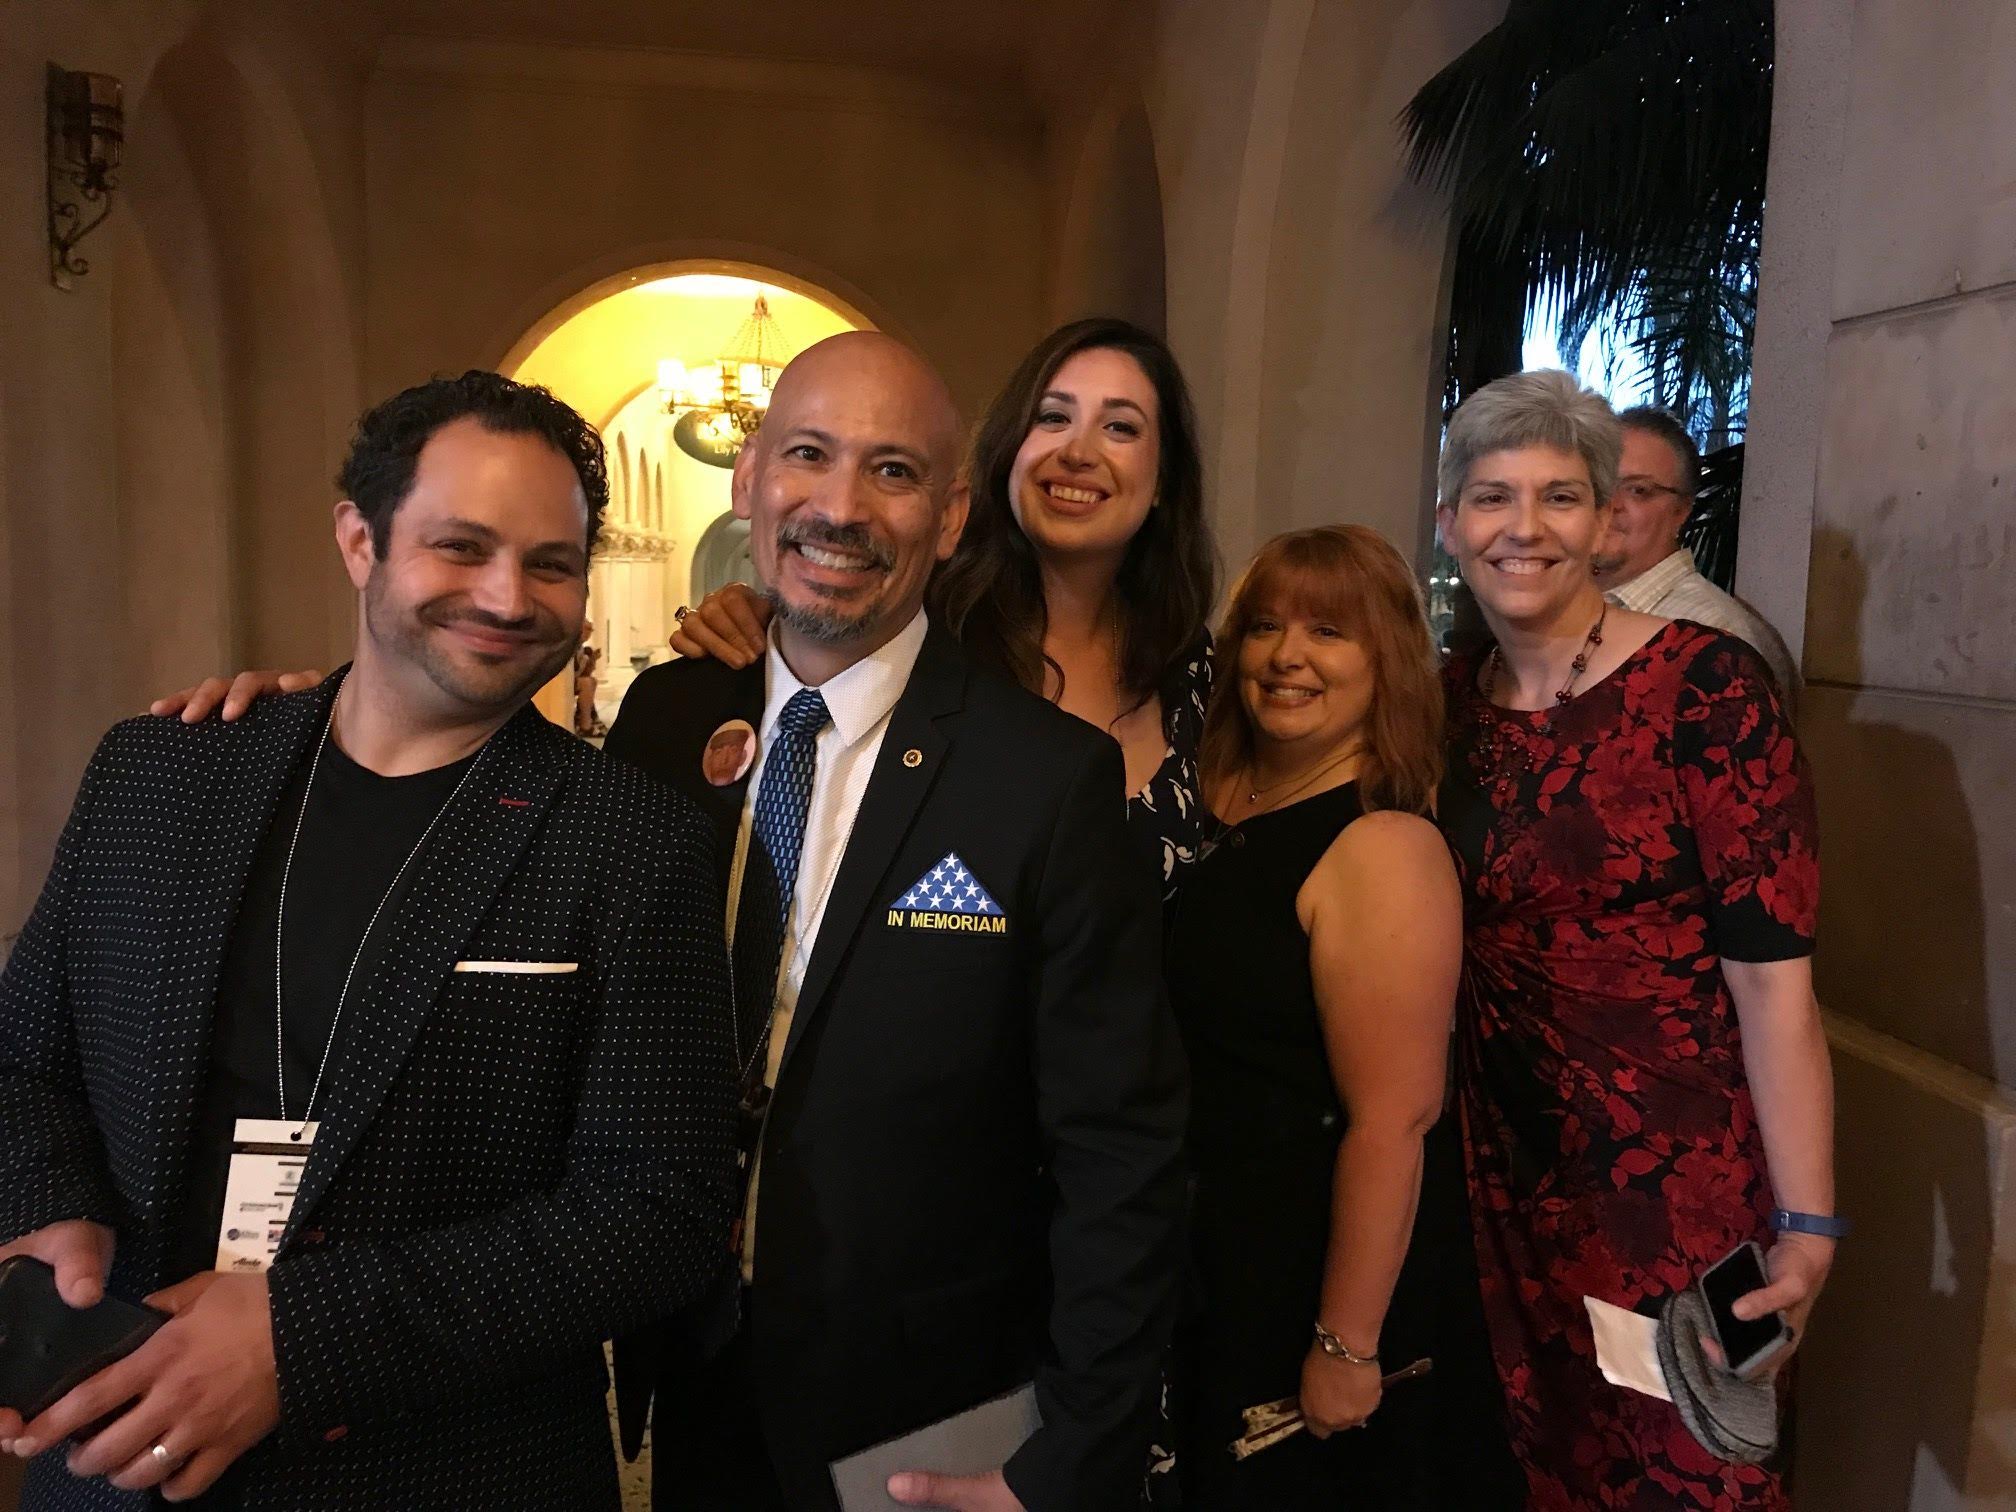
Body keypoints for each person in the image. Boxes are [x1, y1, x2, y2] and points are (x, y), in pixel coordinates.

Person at [0, 371, 737, 1509]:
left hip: (447, 1470)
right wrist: (47, 1209)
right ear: (359, 540)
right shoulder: (162, 772)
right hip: (115, 1450)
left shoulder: (633, 842)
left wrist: (298, 1341)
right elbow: (24, 1057)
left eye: (551, 563)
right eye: (461, 547)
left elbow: (659, 1213)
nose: (508, 595)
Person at [602, 332, 1186, 1511]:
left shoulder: (1045, 778)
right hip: (695, 1374)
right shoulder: (666, 723)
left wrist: (1067, 1462)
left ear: (954, 514)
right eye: (809, 456)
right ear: (750, 478)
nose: (841, 507)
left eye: (893, 471)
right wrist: (318, 707)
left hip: (929, 1421)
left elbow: (1122, 1151)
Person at [1434, 370, 1839, 1510]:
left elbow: (1775, 991)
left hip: (1674, 1192)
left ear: (1605, 516)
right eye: (1492, 497)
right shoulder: (1440, 708)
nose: (1524, 529)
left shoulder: (1707, 689)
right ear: (1449, 522)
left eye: (1560, 497)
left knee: (1685, 1479)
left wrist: (1807, 1227)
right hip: (1490, 1181)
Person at [1167, 526, 1518, 1511]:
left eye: (1329, 631)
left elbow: (1394, 1122)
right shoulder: (1219, 793)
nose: (1287, 656)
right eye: (1267, 626)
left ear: (1388, 660)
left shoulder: (1385, 846)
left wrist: (1345, 1343)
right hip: (1214, 1246)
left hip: (1311, 1266)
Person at [665, 316, 1219, 893]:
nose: (1078, 452)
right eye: (1053, 417)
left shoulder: (1188, 661)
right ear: (1008, 449)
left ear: (1162, 479)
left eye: (1121, 428)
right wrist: (758, 613)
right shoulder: (917, 625)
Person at [1591, 406, 1800, 707]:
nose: (1611, 504)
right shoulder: (1566, 613)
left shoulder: (1714, 637)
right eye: (1599, 484)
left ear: (1682, 511)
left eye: (1638, 490)